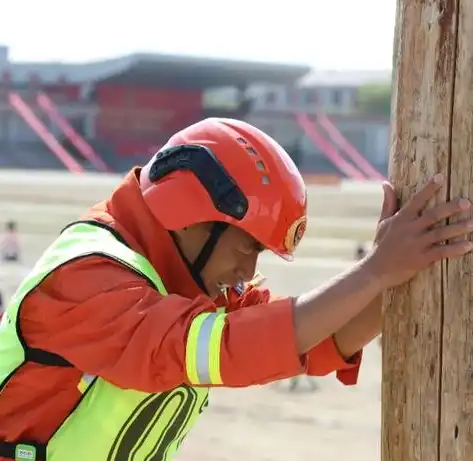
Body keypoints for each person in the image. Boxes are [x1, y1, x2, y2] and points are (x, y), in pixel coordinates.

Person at [0, 118, 472, 461]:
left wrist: (399, 270)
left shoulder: (182, 274)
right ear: (194, 217)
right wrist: (373, 273)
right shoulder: (87, 276)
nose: (248, 268)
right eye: (247, 246)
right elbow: (225, 349)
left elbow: (317, 338)